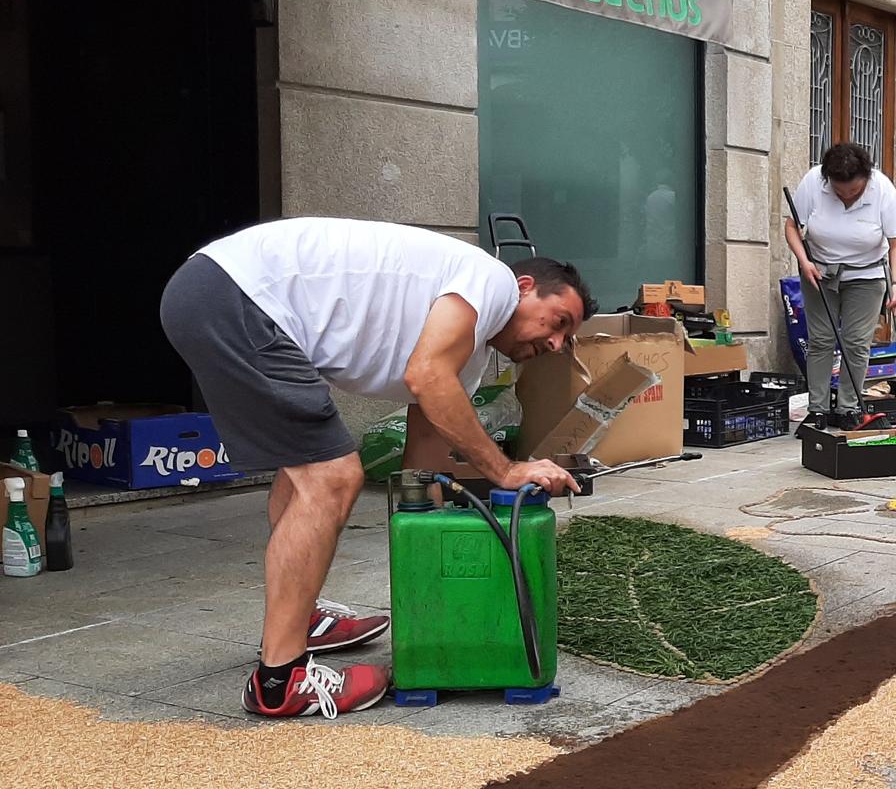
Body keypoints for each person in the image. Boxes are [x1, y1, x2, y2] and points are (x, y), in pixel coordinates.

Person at [159, 218, 590, 719]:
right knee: (333, 476)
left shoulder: (465, 357)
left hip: (222, 294)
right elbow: (426, 377)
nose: (557, 344)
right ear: (525, 287)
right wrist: (506, 470)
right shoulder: (490, 280)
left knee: (306, 471)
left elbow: (422, 472)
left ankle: (299, 620)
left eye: (567, 339)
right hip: (235, 294)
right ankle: (280, 680)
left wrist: (443, 584)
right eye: (559, 321)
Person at [785, 142, 896, 429]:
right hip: (819, 272)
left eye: (854, 191)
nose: (846, 198)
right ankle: (817, 408)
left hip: (867, 275)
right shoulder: (814, 182)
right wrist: (804, 261)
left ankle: (848, 407)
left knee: (856, 342)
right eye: (839, 192)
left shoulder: (882, 189)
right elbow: (792, 226)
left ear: (866, 178)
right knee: (821, 339)